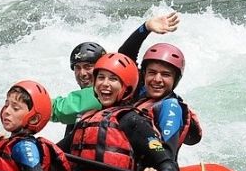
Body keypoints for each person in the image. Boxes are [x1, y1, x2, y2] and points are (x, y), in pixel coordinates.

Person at [38, 52, 176, 171]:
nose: (105, 84)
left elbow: (167, 163)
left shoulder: (132, 120)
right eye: (101, 77)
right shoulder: (89, 119)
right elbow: (53, 155)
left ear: (126, 88)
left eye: (113, 79)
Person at [51, 9, 181, 128]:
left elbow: (126, 55)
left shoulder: (112, 91)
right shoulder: (100, 95)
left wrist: (145, 28)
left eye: (88, 67)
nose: (83, 73)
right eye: (77, 68)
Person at [132, 42, 203, 164]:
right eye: (152, 73)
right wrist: (146, 28)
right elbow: (126, 56)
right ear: (144, 74)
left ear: (175, 80)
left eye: (165, 74)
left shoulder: (170, 107)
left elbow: (166, 155)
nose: (157, 79)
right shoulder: (140, 94)